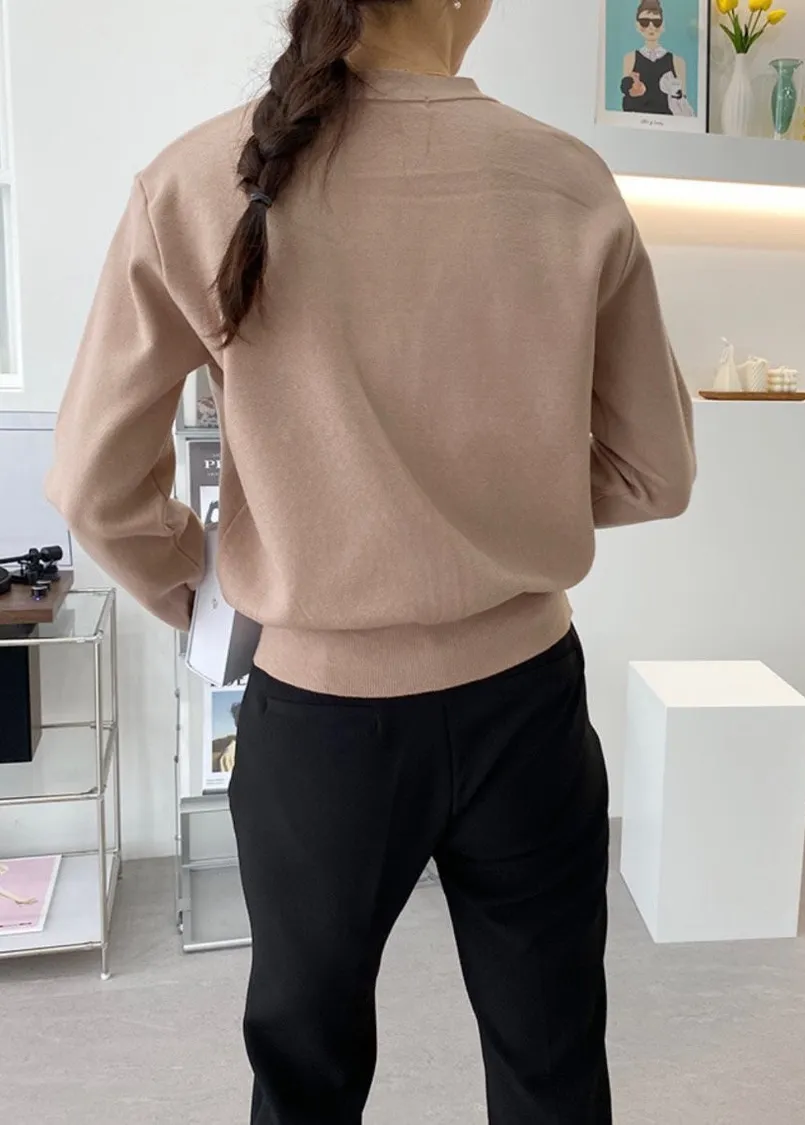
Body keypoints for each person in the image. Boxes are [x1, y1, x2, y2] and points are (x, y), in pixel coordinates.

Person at [47, 0, 695, 1121]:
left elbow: (94, 483)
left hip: (319, 725)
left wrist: (205, 574)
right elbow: (656, 471)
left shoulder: (194, 181)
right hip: (528, 710)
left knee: (304, 1077)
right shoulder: (567, 182)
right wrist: (503, 508)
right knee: (551, 1065)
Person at [621, 0, 692, 117]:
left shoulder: (678, 62)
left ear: (663, 25)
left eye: (656, 22)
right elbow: (625, 106)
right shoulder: (629, 59)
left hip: (669, 126)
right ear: (637, 25)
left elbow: (684, 110)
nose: (651, 27)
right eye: (644, 22)